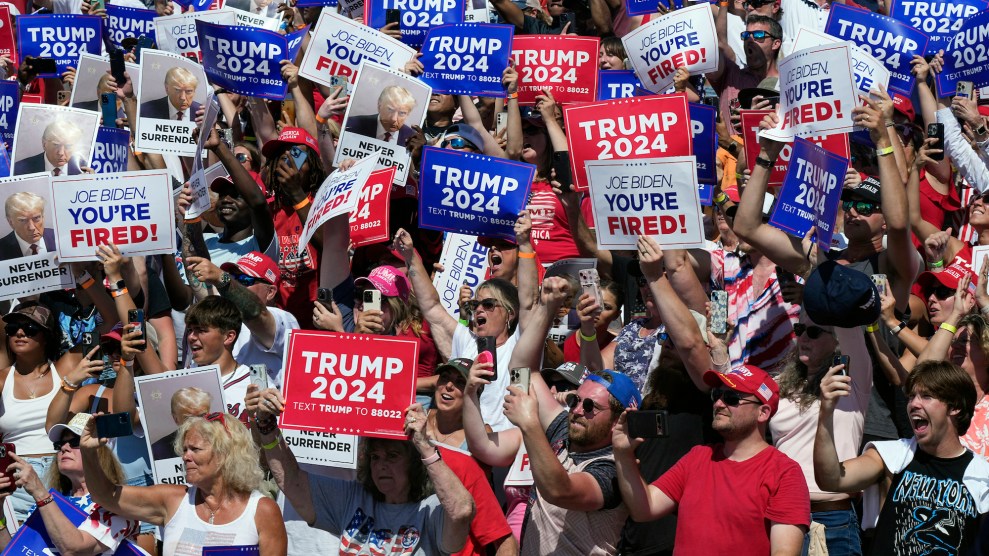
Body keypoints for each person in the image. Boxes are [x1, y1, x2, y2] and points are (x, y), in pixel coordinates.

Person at [614, 366, 810, 554]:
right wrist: (623, 454)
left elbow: (784, 552)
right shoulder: (698, 456)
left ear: (763, 413)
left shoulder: (785, 472)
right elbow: (644, 508)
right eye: (716, 395)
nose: (718, 403)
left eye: (731, 398)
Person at [255, 395, 475, 555]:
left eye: (392, 456)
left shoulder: (431, 510)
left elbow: (462, 510)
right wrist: (267, 427)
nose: (381, 465)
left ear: (414, 463)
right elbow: (293, 483)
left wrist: (424, 446)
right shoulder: (353, 497)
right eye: (375, 457)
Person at [814, 360, 989, 555]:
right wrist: (826, 412)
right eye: (911, 396)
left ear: (954, 407)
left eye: (926, 396)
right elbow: (831, 479)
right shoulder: (893, 455)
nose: (914, 404)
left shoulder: (982, 476)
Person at [81, 412, 288, 556]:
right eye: (184, 449)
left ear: (226, 455)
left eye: (195, 449)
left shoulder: (262, 510)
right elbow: (106, 496)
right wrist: (88, 453)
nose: (185, 456)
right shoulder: (172, 500)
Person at [0, 413, 141, 554]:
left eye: (75, 442)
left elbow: (74, 550)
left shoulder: (119, 503)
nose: (64, 448)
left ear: (100, 451)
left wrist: (39, 492)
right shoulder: (50, 501)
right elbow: (17, 551)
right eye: (59, 444)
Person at [0, 302, 77, 522]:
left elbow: (110, 320)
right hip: (16, 476)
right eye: (12, 328)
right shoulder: (2, 379)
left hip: (61, 470)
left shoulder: (65, 367)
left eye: (30, 328)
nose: (20, 333)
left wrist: (85, 277)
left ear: (46, 336)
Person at [150, 387, 213, 460]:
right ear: (176, 419)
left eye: (202, 416)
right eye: (189, 418)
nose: (197, 423)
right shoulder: (158, 451)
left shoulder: (222, 440)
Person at [345, 86, 418, 146]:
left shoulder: (413, 138)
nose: (394, 119)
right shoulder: (352, 124)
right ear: (379, 106)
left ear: (408, 114)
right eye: (390, 110)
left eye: (401, 113)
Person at [14, 119, 86, 176]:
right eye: (56, 145)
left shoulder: (84, 169)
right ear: (44, 144)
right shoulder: (20, 170)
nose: (61, 153)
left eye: (68, 146)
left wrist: (92, 183)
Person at [0, 192, 56, 261]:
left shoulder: (61, 239)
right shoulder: (2, 250)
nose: (32, 227)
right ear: (11, 222)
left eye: (36, 218)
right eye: (23, 220)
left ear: (43, 217)